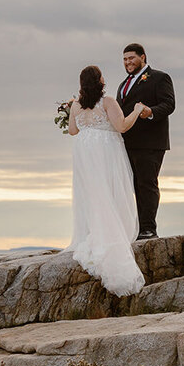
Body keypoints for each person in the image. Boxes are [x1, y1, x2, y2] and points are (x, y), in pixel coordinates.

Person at [66, 65, 146, 296]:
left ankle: (93, 232)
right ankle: (113, 237)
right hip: (106, 151)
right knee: (111, 192)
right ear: (100, 80)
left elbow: (72, 131)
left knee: (93, 195)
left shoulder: (76, 105)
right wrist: (136, 110)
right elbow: (121, 126)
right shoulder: (108, 101)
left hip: (85, 153)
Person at [116, 43, 176, 239]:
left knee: (146, 184)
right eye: (125, 59)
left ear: (143, 57)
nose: (128, 62)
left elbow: (169, 104)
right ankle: (136, 228)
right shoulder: (123, 84)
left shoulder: (159, 77)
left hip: (151, 142)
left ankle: (148, 229)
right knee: (132, 185)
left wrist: (151, 112)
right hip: (127, 142)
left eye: (131, 58)